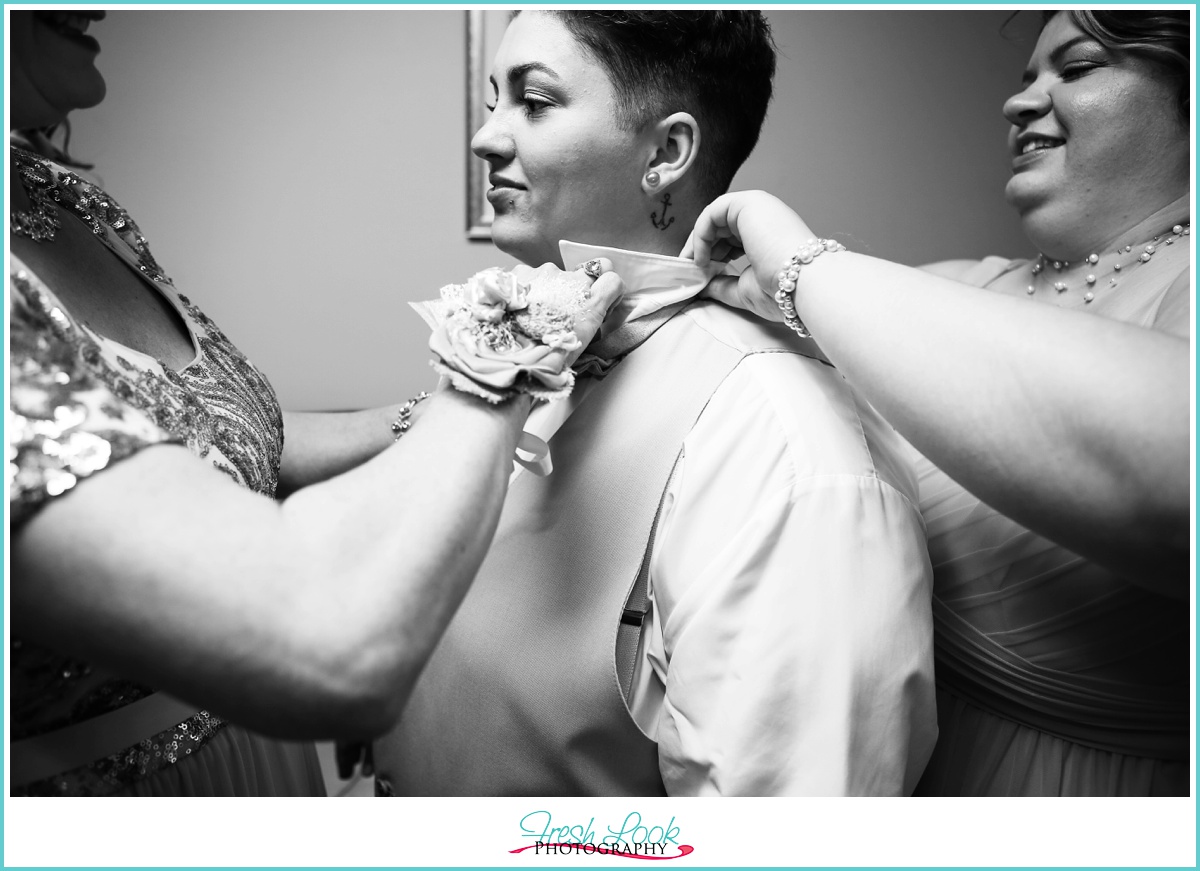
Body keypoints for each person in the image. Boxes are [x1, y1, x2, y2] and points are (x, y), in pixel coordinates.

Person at [7, 9, 622, 796]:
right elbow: (327, 634)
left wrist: (424, 416)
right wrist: (508, 353)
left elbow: (201, 432)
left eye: (534, 102)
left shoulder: (59, 197)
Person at [373, 10, 936, 797]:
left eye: (533, 103)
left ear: (666, 153)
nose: (486, 136)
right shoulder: (522, 346)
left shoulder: (780, 441)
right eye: (494, 99)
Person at [686, 10, 1189, 796]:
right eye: (1026, 79)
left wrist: (804, 264)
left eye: (1077, 67)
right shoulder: (961, 285)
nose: (1019, 102)